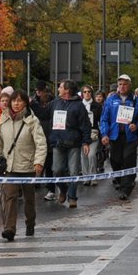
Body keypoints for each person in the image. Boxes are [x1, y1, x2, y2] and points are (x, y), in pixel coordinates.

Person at [0, 89, 47, 241]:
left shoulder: (32, 121)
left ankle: (30, 223)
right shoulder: (4, 119)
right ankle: (9, 228)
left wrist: (38, 162)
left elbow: (41, 143)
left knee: (29, 199)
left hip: (28, 166)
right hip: (9, 167)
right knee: (9, 197)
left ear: (25, 103)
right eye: (14, 100)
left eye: (20, 100)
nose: (16, 104)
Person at [99, 73, 138, 201]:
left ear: (129, 85)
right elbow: (104, 119)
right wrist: (104, 134)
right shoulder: (111, 100)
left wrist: (136, 125)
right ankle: (122, 180)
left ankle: (126, 188)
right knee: (115, 160)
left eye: (125, 84)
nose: (122, 87)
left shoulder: (136, 100)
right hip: (115, 136)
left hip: (130, 136)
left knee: (128, 160)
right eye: (120, 84)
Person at [47, 80, 90, 209]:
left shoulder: (78, 106)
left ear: (67, 90)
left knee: (73, 171)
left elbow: (85, 125)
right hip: (57, 141)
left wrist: (86, 142)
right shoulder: (55, 103)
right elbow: (43, 113)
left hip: (73, 143)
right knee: (57, 170)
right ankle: (63, 188)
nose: (58, 89)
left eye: (60, 87)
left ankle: (72, 197)